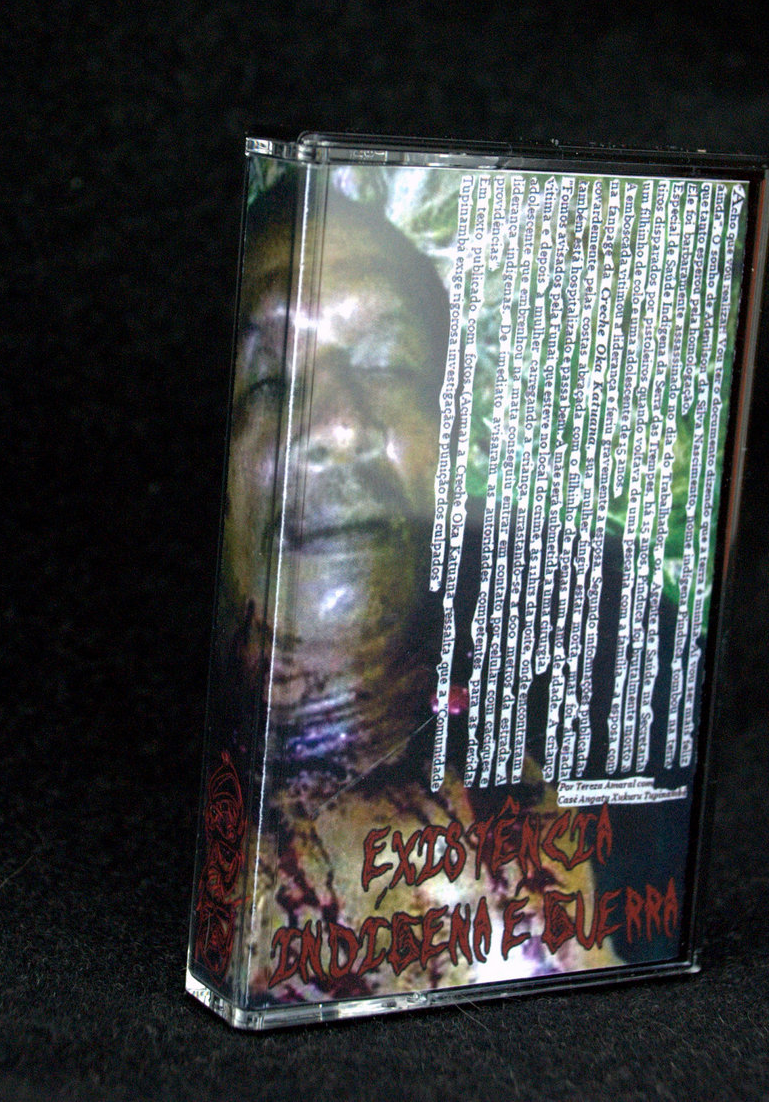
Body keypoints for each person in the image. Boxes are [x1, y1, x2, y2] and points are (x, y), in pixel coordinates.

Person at [214, 177, 622, 1005]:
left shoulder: (600, 677)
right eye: (266, 382)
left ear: (450, 429)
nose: (335, 426)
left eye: (387, 363)